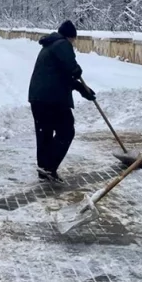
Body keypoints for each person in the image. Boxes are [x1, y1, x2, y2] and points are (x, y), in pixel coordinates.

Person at [28, 20, 96, 183]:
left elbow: (60, 75)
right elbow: (71, 68)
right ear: (70, 37)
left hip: (38, 97)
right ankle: (49, 166)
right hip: (53, 99)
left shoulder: (49, 46)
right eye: (73, 40)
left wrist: (81, 89)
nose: (73, 43)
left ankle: (44, 169)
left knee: (44, 134)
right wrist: (76, 70)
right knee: (66, 131)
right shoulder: (62, 44)